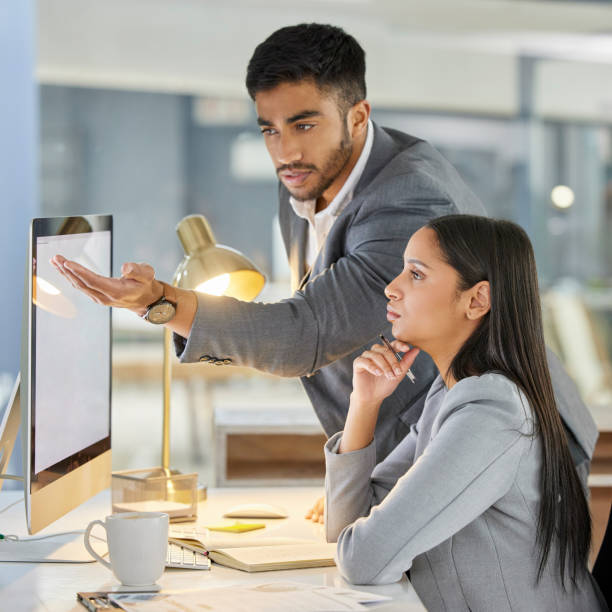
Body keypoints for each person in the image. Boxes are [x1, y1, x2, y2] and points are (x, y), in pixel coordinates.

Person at [50, 23, 597, 523]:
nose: (285, 150)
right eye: (270, 129)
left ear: (357, 116)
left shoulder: (408, 201)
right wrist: (358, 481)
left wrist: (161, 301)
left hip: (504, 456)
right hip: (414, 452)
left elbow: (308, 332)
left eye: (304, 124)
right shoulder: (304, 177)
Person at [324, 215, 606, 611]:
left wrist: (363, 540)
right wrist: (364, 405)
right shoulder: (449, 393)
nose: (392, 288)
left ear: (476, 300)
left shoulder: (491, 412)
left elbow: (364, 559)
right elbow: (346, 530)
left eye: (416, 274)